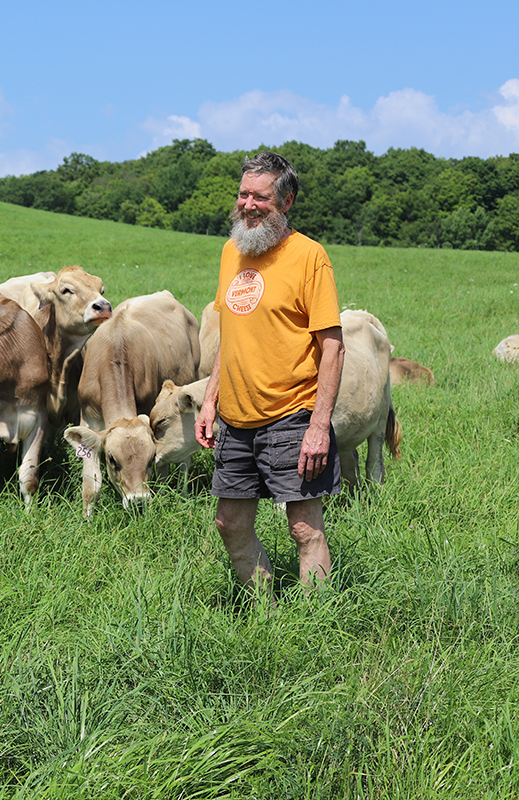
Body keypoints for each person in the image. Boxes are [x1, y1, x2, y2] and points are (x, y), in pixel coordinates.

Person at [194, 151, 345, 594]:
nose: (248, 204)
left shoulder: (308, 257)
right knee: (229, 522)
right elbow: (231, 332)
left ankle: (316, 626)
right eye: (243, 194)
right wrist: (210, 399)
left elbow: (332, 347)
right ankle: (266, 615)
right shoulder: (232, 251)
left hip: (292, 416)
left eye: (260, 197)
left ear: (286, 201)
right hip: (235, 420)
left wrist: (319, 426)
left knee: (303, 529)